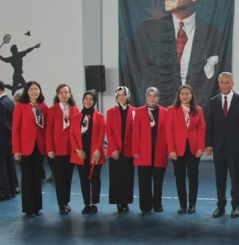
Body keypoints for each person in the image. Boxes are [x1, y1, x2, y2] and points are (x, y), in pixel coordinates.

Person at [122, 0, 228, 108]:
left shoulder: (214, 35)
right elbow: (130, 79)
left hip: (197, 114)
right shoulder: (148, 31)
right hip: (159, 115)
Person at [205, 72, 239, 218]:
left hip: (235, 146)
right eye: (222, 82)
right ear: (219, 84)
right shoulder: (213, 101)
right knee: (220, 178)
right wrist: (208, 144)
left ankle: (235, 206)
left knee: (235, 178)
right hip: (218, 146)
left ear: (232, 83)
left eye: (227, 82)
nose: (224, 85)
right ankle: (221, 206)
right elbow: (210, 124)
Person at [167, 84, 206, 215]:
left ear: (191, 95)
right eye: (182, 93)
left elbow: (201, 129)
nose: (185, 96)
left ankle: (192, 204)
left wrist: (201, 147)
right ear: (179, 96)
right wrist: (171, 149)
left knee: (193, 176)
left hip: (194, 149)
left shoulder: (198, 110)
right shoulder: (171, 110)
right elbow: (169, 131)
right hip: (177, 149)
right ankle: (182, 205)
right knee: (180, 177)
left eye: (187, 93)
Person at [12, 81, 48, 217]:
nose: (34, 91)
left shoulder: (43, 107)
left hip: (39, 146)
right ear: (26, 92)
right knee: (27, 177)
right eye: (31, 89)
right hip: (25, 147)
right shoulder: (20, 107)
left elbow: (46, 128)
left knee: (37, 177)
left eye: (36, 89)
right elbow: (15, 129)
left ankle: (37, 206)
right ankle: (28, 208)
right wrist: (16, 149)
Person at [133, 87, 169, 214]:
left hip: (160, 151)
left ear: (158, 97)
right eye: (150, 95)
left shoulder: (165, 112)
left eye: (155, 96)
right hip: (143, 152)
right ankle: (146, 206)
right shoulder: (139, 111)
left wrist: (168, 150)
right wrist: (135, 149)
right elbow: (135, 132)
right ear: (146, 97)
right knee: (144, 181)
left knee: (158, 180)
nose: (152, 98)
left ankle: (157, 204)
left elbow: (168, 133)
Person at [70, 91, 106, 215]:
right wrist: (78, 150)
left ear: (94, 101)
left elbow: (101, 133)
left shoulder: (99, 116)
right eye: (86, 98)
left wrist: (97, 149)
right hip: (81, 154)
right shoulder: (76, 117)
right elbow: (72, 135)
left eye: (91, 99)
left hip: (95, 153)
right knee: (83, 179)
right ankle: (86, 204)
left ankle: (94, 203)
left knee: (95, 179)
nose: (88, 101)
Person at [46, 84, 79, 215]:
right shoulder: (52, 110)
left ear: (70, 94)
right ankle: (61, 203)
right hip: (57, 149)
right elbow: (48, 131)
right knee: (59, 177)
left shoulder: (75, 110)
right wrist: (50, 149)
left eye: (66, 92)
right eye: (61, 92)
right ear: (57, 95)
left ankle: (66, 201)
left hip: (71, 149)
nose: (64, 95)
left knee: (68, 176)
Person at [106, 86, 136, 214]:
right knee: (116, 177)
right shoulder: (110, 112)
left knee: (128, 176)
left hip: (129, 150)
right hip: (116, 150)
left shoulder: (135, 111)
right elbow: (109, 131)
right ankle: (118, 201)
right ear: (116, 97)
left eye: (124, 94)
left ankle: (126, 201)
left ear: (128, 96)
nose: (122, 97)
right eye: (119, 95)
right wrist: (113, 148)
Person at [0, 81, 18, 202]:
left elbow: (4, 124)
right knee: (10, 164)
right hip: (8, 141)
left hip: (0, 140)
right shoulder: (10, 101)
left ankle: (5, 191)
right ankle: (13, 187)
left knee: (0, 166)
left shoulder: (0, 104)